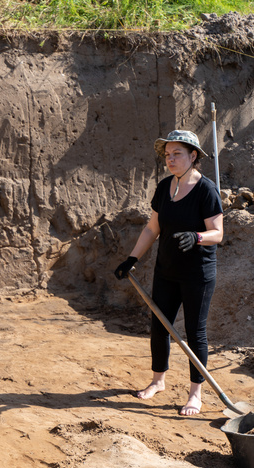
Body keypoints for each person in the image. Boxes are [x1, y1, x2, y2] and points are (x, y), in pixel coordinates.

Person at [114, 130, 223, 416]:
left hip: (197, 273)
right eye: (167, 154)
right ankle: (157, 381)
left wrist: (197, 237)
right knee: (159, 326)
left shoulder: (206, 190)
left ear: (193, 156)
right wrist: (131, 258)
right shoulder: (164, 187)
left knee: (195, 332)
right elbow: (153, 228)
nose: (170, 159)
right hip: (166, 269)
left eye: (177, 154)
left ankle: (195, 394)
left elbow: (218, 233)